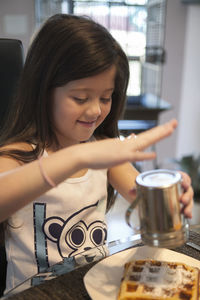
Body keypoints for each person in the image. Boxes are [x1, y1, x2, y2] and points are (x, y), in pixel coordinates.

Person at [0, 14, 193, 294]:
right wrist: (78, 157)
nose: (94, 111)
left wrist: (166, 198)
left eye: (105, 97)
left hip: (89, 287)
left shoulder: (101, 148)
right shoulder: (17, 156)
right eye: (80, 98)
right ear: (43, 89)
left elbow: (140, 197)